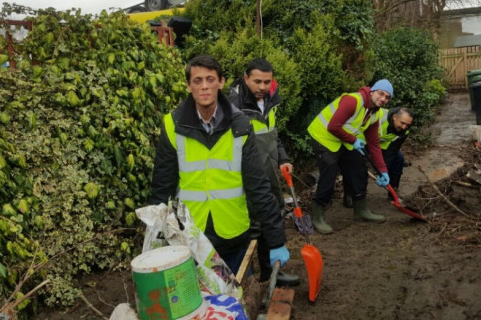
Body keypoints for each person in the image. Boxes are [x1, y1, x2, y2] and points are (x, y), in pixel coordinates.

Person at [150, 55, 290, 275]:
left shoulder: (240, 125)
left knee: (238, 301)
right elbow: (162, 188)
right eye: (197, 81)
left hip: (233, 235)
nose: (204, 86)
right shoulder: (172, 125)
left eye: (210, 79)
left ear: (221, 82)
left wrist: (276, 239)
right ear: (188, 85)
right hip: (190, 236)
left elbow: (258, 185)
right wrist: (156, 239)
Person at [228, 58, 300, 286]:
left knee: (274, 217)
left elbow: (272, 134)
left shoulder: (270, 99)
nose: (262, 87)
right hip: (244, 177)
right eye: (257, 81)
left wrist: (283, 158)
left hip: (268, 171)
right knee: (250, 227)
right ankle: (244, 280)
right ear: (245, 77)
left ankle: (271, 275)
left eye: (267, 82)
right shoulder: (232, 105)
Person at [306, 79, 393, 234]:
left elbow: (373, 143)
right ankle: (317, 216)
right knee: (329, 175)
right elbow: (333, 126)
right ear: (373, 91)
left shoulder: (375, 113)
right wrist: (353, 140)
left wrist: (383, 170)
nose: (383, 99)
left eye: (387, 97)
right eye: (381, 94)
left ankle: (361, 209)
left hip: (343, 139)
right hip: (324, 137)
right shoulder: (353, 100)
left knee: (358, 168)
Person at [343, 106, 414, 205]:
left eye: (407, 125)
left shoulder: (404, 131)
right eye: (402, 123)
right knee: (355, 164)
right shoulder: (379, 116)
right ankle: (350, 195)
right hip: (360, 142)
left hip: (379, 147)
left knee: (398, 158)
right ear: (394, 117)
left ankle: (393, 191)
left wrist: (382, 172)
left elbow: (392, 151)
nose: (404, 127)